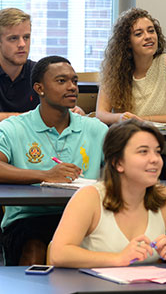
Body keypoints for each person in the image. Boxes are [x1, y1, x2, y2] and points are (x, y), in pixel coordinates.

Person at [49, 119, 166, 268]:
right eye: (143, 152)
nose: (155, 159)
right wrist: (118, 259)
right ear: (118, 163)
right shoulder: (89, 197)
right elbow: (59, 253)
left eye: (157, 152)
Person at [0, 55, 108, 265]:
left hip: (84, 218)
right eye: (61, 81)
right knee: (34, 244)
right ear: (39, 88)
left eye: (74, 81)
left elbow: (121, 168)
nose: (72, 87)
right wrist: (46, 175)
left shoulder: (96, 129)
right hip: (28, 218)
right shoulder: (14, 128)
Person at [96, 8, 166, 180]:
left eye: (151, 31)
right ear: (127, 43)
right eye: (139, 34)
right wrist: (121, 118)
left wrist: (144, 119)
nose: (148, 36)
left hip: (157, 151)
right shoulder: (114, 69)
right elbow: (101, 113)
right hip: (124, 148)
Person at [0, 8, 84, 121]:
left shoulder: (40, 73)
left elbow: (60, 109)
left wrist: (75, 112)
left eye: (26, 37)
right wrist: (28, 118)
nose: (22, 44)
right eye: (13, 38)